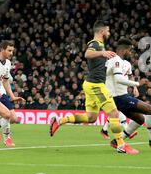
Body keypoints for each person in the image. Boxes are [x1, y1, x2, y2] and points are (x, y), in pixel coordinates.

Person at [50, 21, 138, 154]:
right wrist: (102, 53)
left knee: (91, 117)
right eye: (108, 31)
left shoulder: (101, 45)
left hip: (91, 84)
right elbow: (87, 54)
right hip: (96, 85)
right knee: (114, 113)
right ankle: (121, 145)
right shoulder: (95, 44)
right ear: (102, 31)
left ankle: (60, 120)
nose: (109, 33)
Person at [101, 38, 151, 149]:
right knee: (150, 109)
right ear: (123, 50)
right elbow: (118, 79)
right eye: (130, 50)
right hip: (119, 97)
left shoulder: (122, 62)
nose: (131, 53)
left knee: (140, 119)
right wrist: (137, 84)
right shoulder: (115, 60)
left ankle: (117, 141)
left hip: (121, 96)